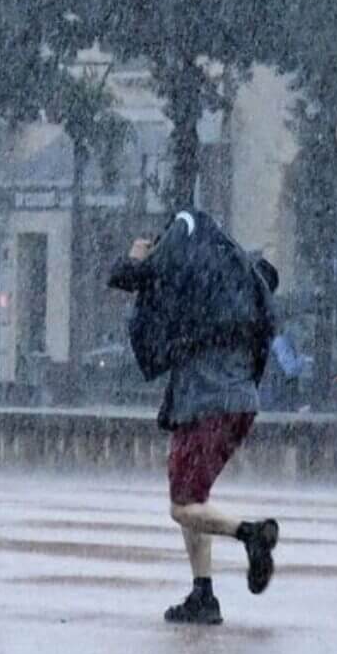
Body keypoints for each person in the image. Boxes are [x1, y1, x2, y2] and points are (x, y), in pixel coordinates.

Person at [108, 210, 280, 626]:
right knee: (195, 500)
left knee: (183, 508)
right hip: (238, 406)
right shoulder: (240, 309)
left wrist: (138, 256)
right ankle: (203, 594)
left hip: (207, 408)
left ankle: (251, 534)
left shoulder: (202, 300)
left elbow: (125, 275)